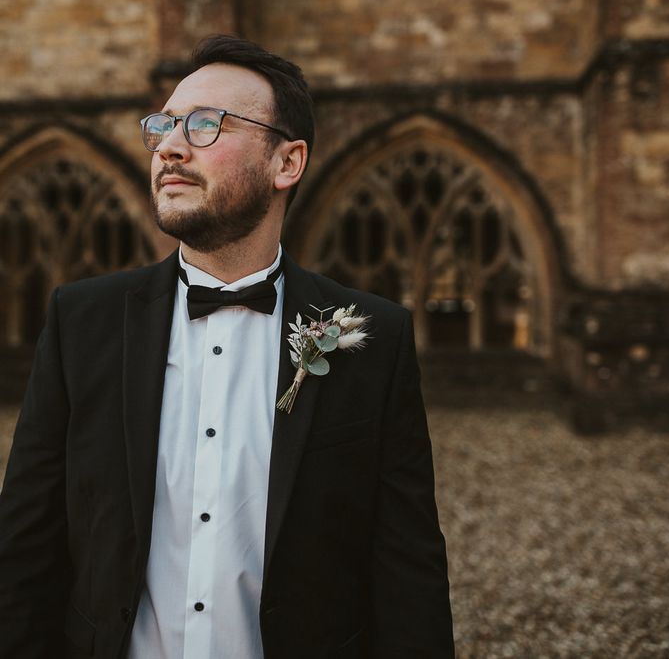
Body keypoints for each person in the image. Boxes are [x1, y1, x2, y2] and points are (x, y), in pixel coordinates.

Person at [0, 35, 454, 658]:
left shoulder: (373, 337)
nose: (170, 146)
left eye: (207, 124)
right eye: (162, 126)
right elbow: (24, 550)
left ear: (286, 163)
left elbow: (408, 567)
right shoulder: (81, 322)